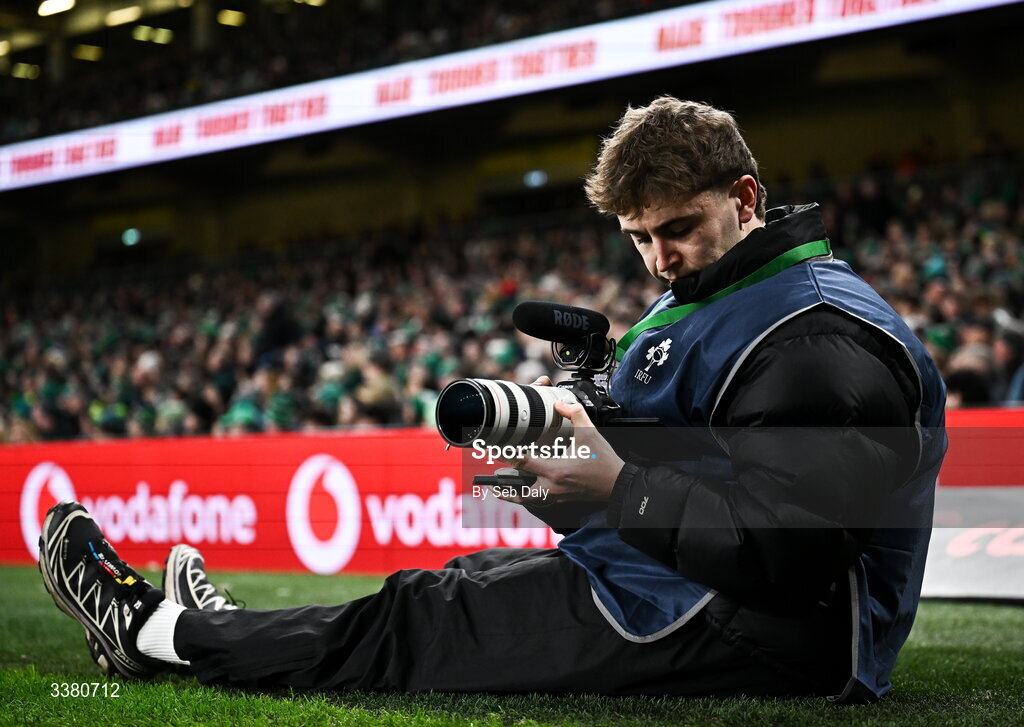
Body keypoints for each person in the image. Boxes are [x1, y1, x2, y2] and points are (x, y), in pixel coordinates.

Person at [38, 97, 946, 702]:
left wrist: (612, 485)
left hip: (775, 635)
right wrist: (565, 468)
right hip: (691, 587)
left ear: (747, 197)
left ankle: (155, 632)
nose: (659, 259)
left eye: (677, 229)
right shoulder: (720, 293)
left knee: (419, 623)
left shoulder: (817, 334)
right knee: (453, 581)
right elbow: (706, 461)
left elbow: (793, 560)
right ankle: (222, 630)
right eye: (638, 238)